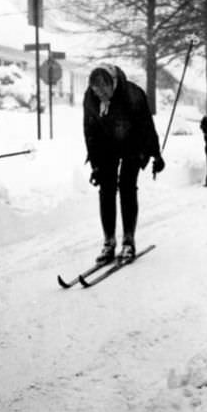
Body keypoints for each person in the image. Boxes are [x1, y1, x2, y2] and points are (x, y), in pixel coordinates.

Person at [83, 64, 165, 265]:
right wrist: (95, 164)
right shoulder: (90, 98)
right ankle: (109, 242)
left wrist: (156, 154)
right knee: (106, 189)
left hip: (133, 144)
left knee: (127, 187)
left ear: (113, 83)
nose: (100, 95)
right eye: (96, 91)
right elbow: (90, 131)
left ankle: (128, 241)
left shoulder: (133, 95)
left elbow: (147, 126)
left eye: (104, 91)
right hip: (106, 145)